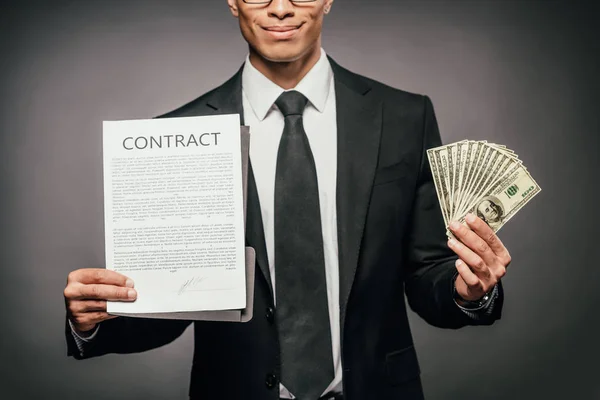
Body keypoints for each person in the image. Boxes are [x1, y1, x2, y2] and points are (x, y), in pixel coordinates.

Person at [64, 1, 512, 399]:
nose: (281, 8)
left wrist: (468, 291)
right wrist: (95, 320)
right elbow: (170, 307)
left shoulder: (403, 117)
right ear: (233, 2)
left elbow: (427, 271)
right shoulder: (175, 136)